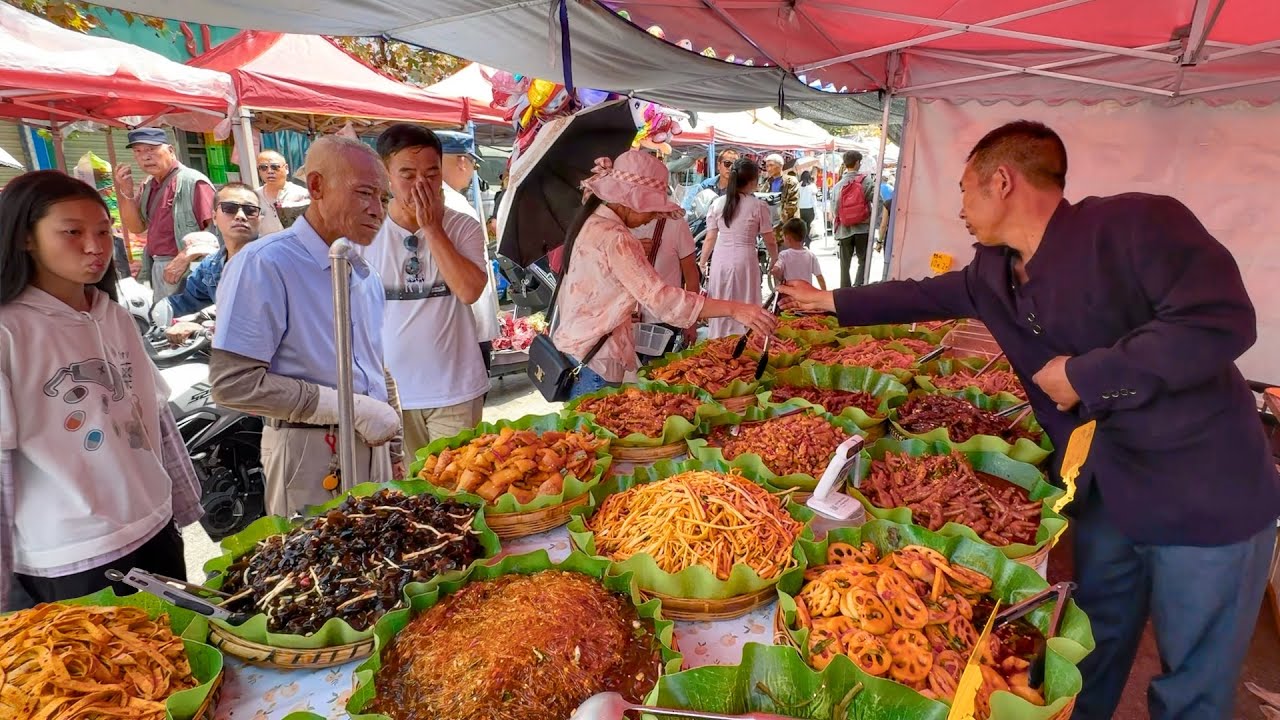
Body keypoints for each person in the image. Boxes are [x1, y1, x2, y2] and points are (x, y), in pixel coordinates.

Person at [780, 120, 1280, 720]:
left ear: (1002, 181)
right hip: (1108, 492)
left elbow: (1219, 321)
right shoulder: (993, 272)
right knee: (1086, 653)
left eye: (964, 189)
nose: (959, 207)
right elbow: (923, 294)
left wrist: (1085, 375)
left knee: (1191, 685)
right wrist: (829, 301)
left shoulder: (1134, 225)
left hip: (1205, 497)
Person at [0, 171, 203, 610]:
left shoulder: (112, 314)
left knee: (186, 659)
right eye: (71, 232)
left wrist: (182, 507)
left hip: (154, 528)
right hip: (71, 556)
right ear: (25, 238)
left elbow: (155, 416)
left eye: (103, 232)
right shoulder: (9, 331)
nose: (94, 246)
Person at [209, 136, 402, 517]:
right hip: (309, 449)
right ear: (316, 186)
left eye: (384, 197)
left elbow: (374, 366)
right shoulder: (265, 263)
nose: (377, 210)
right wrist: (344, 407)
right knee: (319, 572)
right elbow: (233, 383)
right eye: (365, 193)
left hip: (374, 446)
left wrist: (395, 452)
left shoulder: (364, 273)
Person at [551, 150, 777, 398]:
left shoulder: (591, 221)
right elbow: (661, 299)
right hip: (595, 360)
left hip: (575, 349)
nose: (652, 217)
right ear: (630, 200)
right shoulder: (617, 237)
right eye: (651, 209)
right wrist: (735, 309)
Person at [363, 125, 489, 456]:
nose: (421, 184)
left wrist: (432, 228)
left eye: (432, 173)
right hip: (390, 396)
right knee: (404, 497)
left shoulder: (463, 226)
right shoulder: (363, 236)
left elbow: (469, 291)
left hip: (455, 392)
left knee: (459, 493)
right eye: (407, 174)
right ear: (386, 174)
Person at [113, 127, 215, 302]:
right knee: (165, 322)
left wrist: (184, 257)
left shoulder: (193, 181)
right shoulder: (148, 185)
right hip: (157, 266)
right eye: (138, 151)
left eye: (151, 149)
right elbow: (136, 227)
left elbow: (215, 233)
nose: (145, 156)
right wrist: (126, 190)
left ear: (170, 150)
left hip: (189, 267)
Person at [151, 183, 262, 343]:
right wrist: (149, 310)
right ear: (214, 217)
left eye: (250, 210)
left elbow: (264, 320)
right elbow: (186, 302)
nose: (240, 216)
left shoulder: (274, 261)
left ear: (259, 218)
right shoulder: (211, 266)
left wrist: (205, 329)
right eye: (229, 208)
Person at [438, 130, 501, 375]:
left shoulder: (449, 201)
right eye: (474, 163)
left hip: (461, 326)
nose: (473, 171)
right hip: (465, 327)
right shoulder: (453, 206)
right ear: (463, 161)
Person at [700, 158, 778, 338]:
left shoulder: (718, 203)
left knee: (722, 301)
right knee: (747, 299)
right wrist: (774, 259)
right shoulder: (758, 205)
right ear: (752, 181)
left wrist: (702, 262)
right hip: (746, 260)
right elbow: (770, 240)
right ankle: (748, 341)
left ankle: (719, 340)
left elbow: (710, 237)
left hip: (721, 260)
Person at [633, 194, 701, 352]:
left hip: (664, 321)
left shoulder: (674, 224)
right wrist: (631, 249)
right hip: (624, 319)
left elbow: (691, 276)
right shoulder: (616, 225)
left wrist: (691, 321)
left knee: (657, 373)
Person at [830, 150, 877, 288]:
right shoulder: (866, 181)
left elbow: (834, 209)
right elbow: (877, 201)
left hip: (844, 229)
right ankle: (858, 286)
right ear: (857, 163)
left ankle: (845, 289)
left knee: (844, 264)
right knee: (863, 260)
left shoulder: (838, 185)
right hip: (863, 228)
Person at [254, 150, 310, 236]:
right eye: (263, 168)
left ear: (286, 168)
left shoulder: (302, 194)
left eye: (275, 167)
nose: (269, 171)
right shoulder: (254, 197)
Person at [772, 218, 825, 290]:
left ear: (788, 238)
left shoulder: (784, 255)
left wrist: (777, 274)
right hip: (806, 294)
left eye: (783, 236)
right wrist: (824, 293)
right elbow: (819, 277)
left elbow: (776, 270)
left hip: (790, 294)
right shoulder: (810, 255)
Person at [681, 148, 740, 212]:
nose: (730, 168)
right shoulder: (706, 185)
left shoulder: (741, 189)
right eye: (727, 163)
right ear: (719, 165)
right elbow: (686, 206)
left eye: (734, 165)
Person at [759, 153, 799, 234]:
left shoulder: (790, 181)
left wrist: (779, 222)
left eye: (771, 165)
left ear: (780, 165)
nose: (768, 169)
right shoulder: (767, 183)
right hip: (771, 226)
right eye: (767, 166)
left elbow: (792, 204)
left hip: (788, 226)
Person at [797, 170, 817, 245]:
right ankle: (807, 240)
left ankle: (803, 239)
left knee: (802, 226)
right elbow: (814, 200)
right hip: (809, 209)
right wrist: (815, 211)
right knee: (808, 225)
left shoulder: (798, 186)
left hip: (801, 209)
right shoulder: (812, 186)